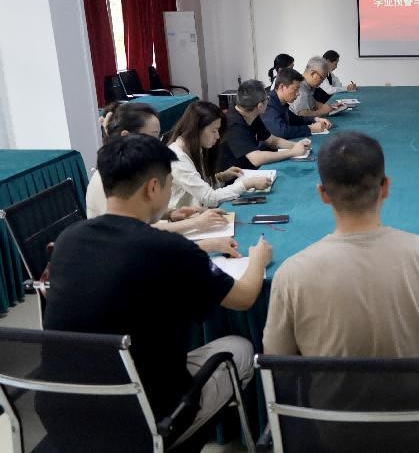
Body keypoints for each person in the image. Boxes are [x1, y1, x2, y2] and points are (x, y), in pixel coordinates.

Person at [43, 135, 272, 447]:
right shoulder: (170, 249)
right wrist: (258, 260)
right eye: (168, 184)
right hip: (147, 419)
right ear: (153, 188)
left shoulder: (68, 239)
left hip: (64, 409)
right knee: (240, 349)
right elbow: (244, 298)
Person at [263, 131, 419, 358]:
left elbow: (277, 357)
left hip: (330, 384)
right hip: (417, 383)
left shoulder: (291, 274)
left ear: (323, 194)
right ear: (385, 187)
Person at [88, 102, 239, 255]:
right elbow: (139, 230)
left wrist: (171, 213)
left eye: (158, 136)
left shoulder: (135, 169)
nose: (159, 143)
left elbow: (139, 216)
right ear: (126, 136)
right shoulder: (107, 178)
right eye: (153, 135)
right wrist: (196, 224)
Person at [167, 101, 272, 210]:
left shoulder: (193, 148)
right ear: (197, 129)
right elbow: (209, 198)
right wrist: (247, 184)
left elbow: (199, 184)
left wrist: (221, 177)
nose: (217, 136)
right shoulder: (178, 158)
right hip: (186, 216)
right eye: (214, 131)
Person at [217, 79, 311, 170]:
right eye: (267, 98)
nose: (268, 100)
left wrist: (296, 145)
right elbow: (256, 159)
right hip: (235, 174)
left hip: (247, 168)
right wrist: (292, 152)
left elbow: (271, 140)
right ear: (260, 106)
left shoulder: (251, 113)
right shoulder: (234, 124)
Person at [262, 68, 331, 138]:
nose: (298, 94)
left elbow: (295, 119)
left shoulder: (280, 102)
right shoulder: (267, 105)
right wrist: (310, 129)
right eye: (295, 89)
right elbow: (282, 132)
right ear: (282, 87)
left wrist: (315, 119)